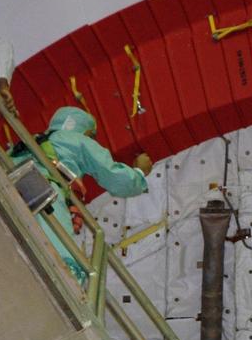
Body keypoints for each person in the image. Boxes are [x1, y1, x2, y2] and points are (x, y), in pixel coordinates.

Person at [12, 106, 153, 282]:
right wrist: (139, 172)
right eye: (92, 136)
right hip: (46, 196)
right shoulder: (76, 140)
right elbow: (117, 179)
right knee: (61, 261)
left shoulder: (28, 142)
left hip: (13, 188)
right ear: (86, 132)